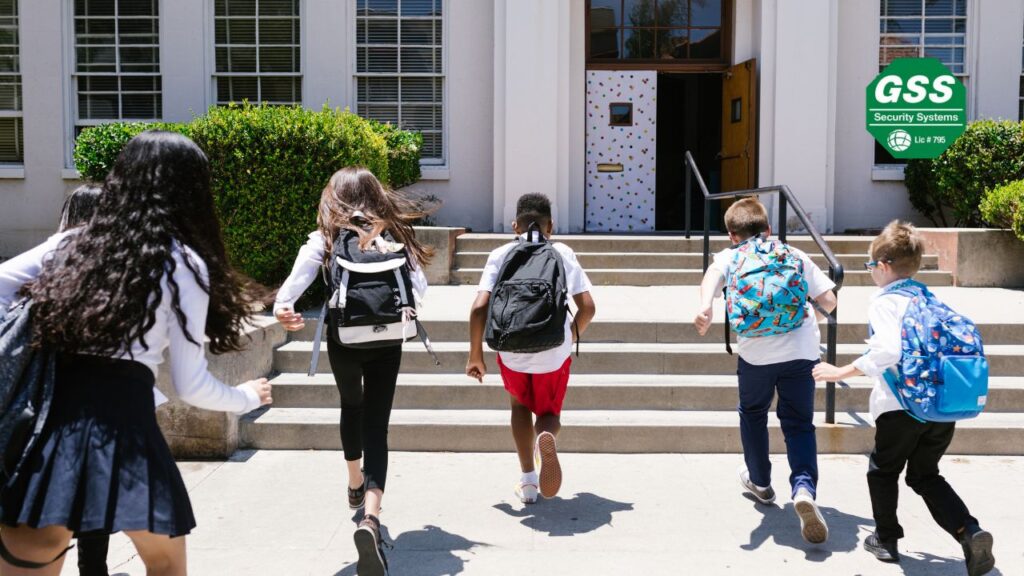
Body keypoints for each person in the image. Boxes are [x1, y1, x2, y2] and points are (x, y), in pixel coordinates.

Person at [0, 130, 272, 576]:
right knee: (165, 564)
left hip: (50, 426)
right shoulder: (181, 262)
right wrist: (244, 398)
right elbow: (191, 385)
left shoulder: (70, 244)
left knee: (33, 558)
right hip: (126, 427)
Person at [812, 221, 995, 575]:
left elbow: (887, 352)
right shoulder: (927, 297)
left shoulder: (885, 301)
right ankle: (969, 531)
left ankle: (885, 539)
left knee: (883, 471)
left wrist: (840, 372)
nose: (870, 274)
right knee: (925, 475)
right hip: (941, 407)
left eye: (870, 267)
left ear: (882, 266)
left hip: (900, 407)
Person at [274, 167, 432, 576]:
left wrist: (284, 307)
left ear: (335, 196)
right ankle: (371, 519)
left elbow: (295, 284)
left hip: (344, 338)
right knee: (377, 424)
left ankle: (354, 481)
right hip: (388, 338)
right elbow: (420, 290)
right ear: (376, 194)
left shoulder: (325, 238)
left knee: (352, 406)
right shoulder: (394, 235)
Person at [693, 197, 837, 544]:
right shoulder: (794, 254)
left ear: (732, 235)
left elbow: (711, 280)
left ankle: (760, 482)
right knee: (799, 422)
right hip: (801, 352)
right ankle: (803, 489)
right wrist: (807, 321)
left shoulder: (730, 256)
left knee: (753, 413)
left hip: (756, 355)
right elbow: (830, 300)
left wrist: (704, 308)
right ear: (769, 229)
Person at [466, 193, 596, 504]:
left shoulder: (500, 253)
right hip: (553, 351)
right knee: (549, 413)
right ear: (551, 224)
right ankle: (545, 436)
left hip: (511, 349)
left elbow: (478, 308)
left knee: (518, 407)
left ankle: (527, 481)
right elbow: (588, 308)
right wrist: (570, 335)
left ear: (515, 225)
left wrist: (475, 356)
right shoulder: (562, 252)